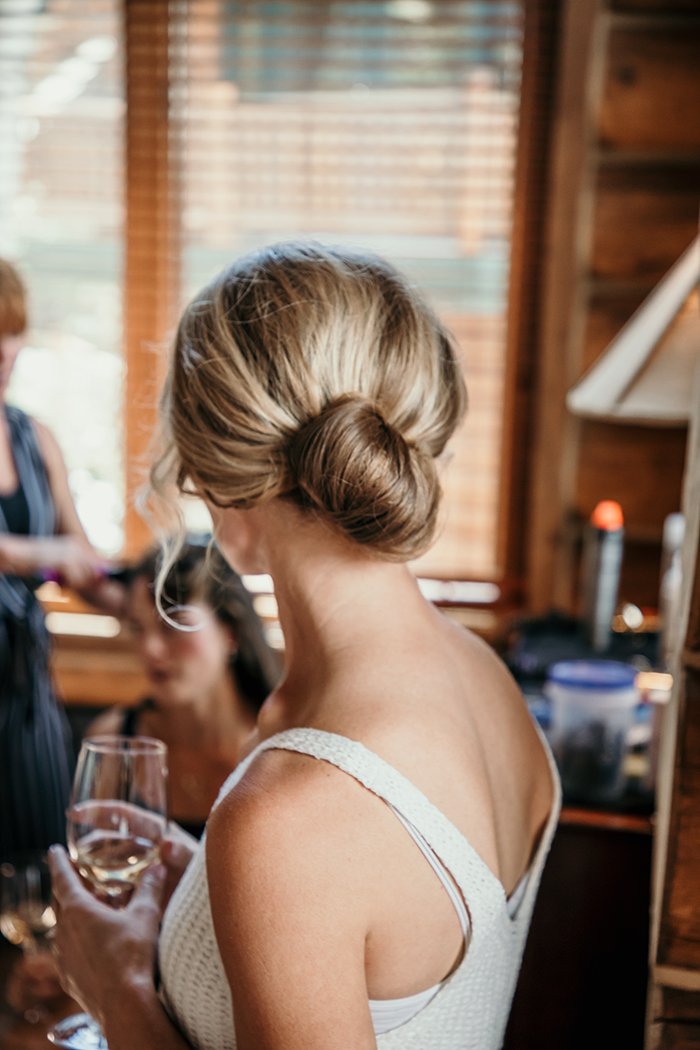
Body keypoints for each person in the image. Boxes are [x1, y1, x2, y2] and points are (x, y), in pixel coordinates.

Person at [49, 242, 561, 1050]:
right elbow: (393, 941)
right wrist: (206, 891)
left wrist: (112, 990)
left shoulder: (294, 813)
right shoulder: (482, 675)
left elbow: (326, 854)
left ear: (220, 479)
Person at [0, 258, 123, 860]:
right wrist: (44, 553)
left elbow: (82, 561)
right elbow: (50, 553)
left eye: (12, 331)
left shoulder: (35, 438)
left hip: (27, 699)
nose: (4, 351)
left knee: (42, 874)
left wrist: (143, 604)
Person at [88, 541, 280, 837]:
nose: (150, 649)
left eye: (173, 624)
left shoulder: (279, 748)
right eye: (138, 628)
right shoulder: (112, 741)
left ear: (230, 632)